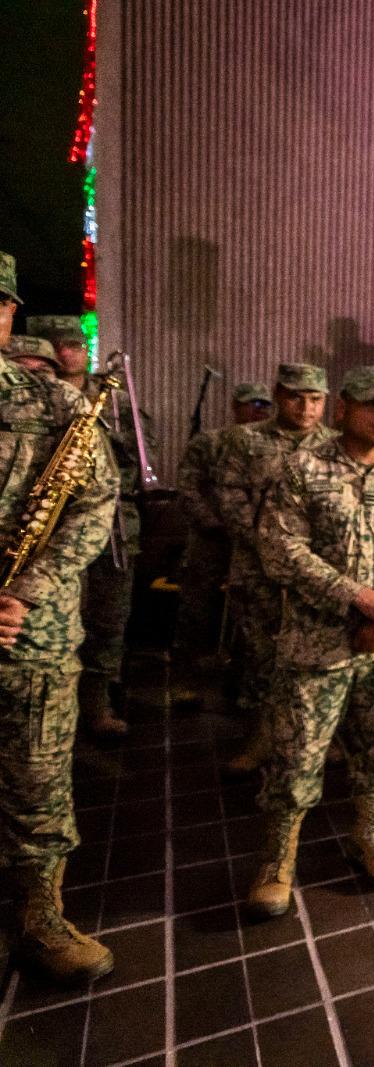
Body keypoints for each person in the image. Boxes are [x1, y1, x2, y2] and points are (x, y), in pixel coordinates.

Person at [244, 367, 374, 919]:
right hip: (317, 642)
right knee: (297, 754)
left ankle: (370, 834)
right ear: (343, 410)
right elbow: (281, 549)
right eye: (370, 404)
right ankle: (277, 858)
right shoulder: (304, 469)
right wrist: (357, 597)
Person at [0, 252, 119, 984]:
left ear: (10, 312)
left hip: (33, 632)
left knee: (39, 778)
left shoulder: (54, 406)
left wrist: (27, 587)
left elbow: (95, 504)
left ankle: (41, 915)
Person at [212, 364, 336, 778]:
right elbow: (229, 496)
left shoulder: (335, 445)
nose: (306, 407)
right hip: (258, 569)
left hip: (316, 576)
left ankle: (319, 738)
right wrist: (268, 542)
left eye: (316, 398)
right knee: (262, 659)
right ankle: (263, 738)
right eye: (297, 397)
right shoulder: (245, 441)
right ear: (279, 395)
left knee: (317, 660)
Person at [34, 314, 151, 741]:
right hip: (48, 530)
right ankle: (54, 708)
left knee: (108, 620)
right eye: (57, 345)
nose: (68, 352)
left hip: (110, 528)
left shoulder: (112, 397)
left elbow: (141, 459)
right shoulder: (33, 395)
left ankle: (97, 703)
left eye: (74, 344)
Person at [173, 382, 271, 693]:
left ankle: (244, 684)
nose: (258, 411)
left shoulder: (271, 446)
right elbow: (187, 488)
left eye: (264, 405)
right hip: (210, 540)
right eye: (251, 404)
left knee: (250, 615)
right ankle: (186, 683)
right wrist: (213, 523)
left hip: (255, 544)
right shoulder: (210, 442)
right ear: (235, 406)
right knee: (199, 611)